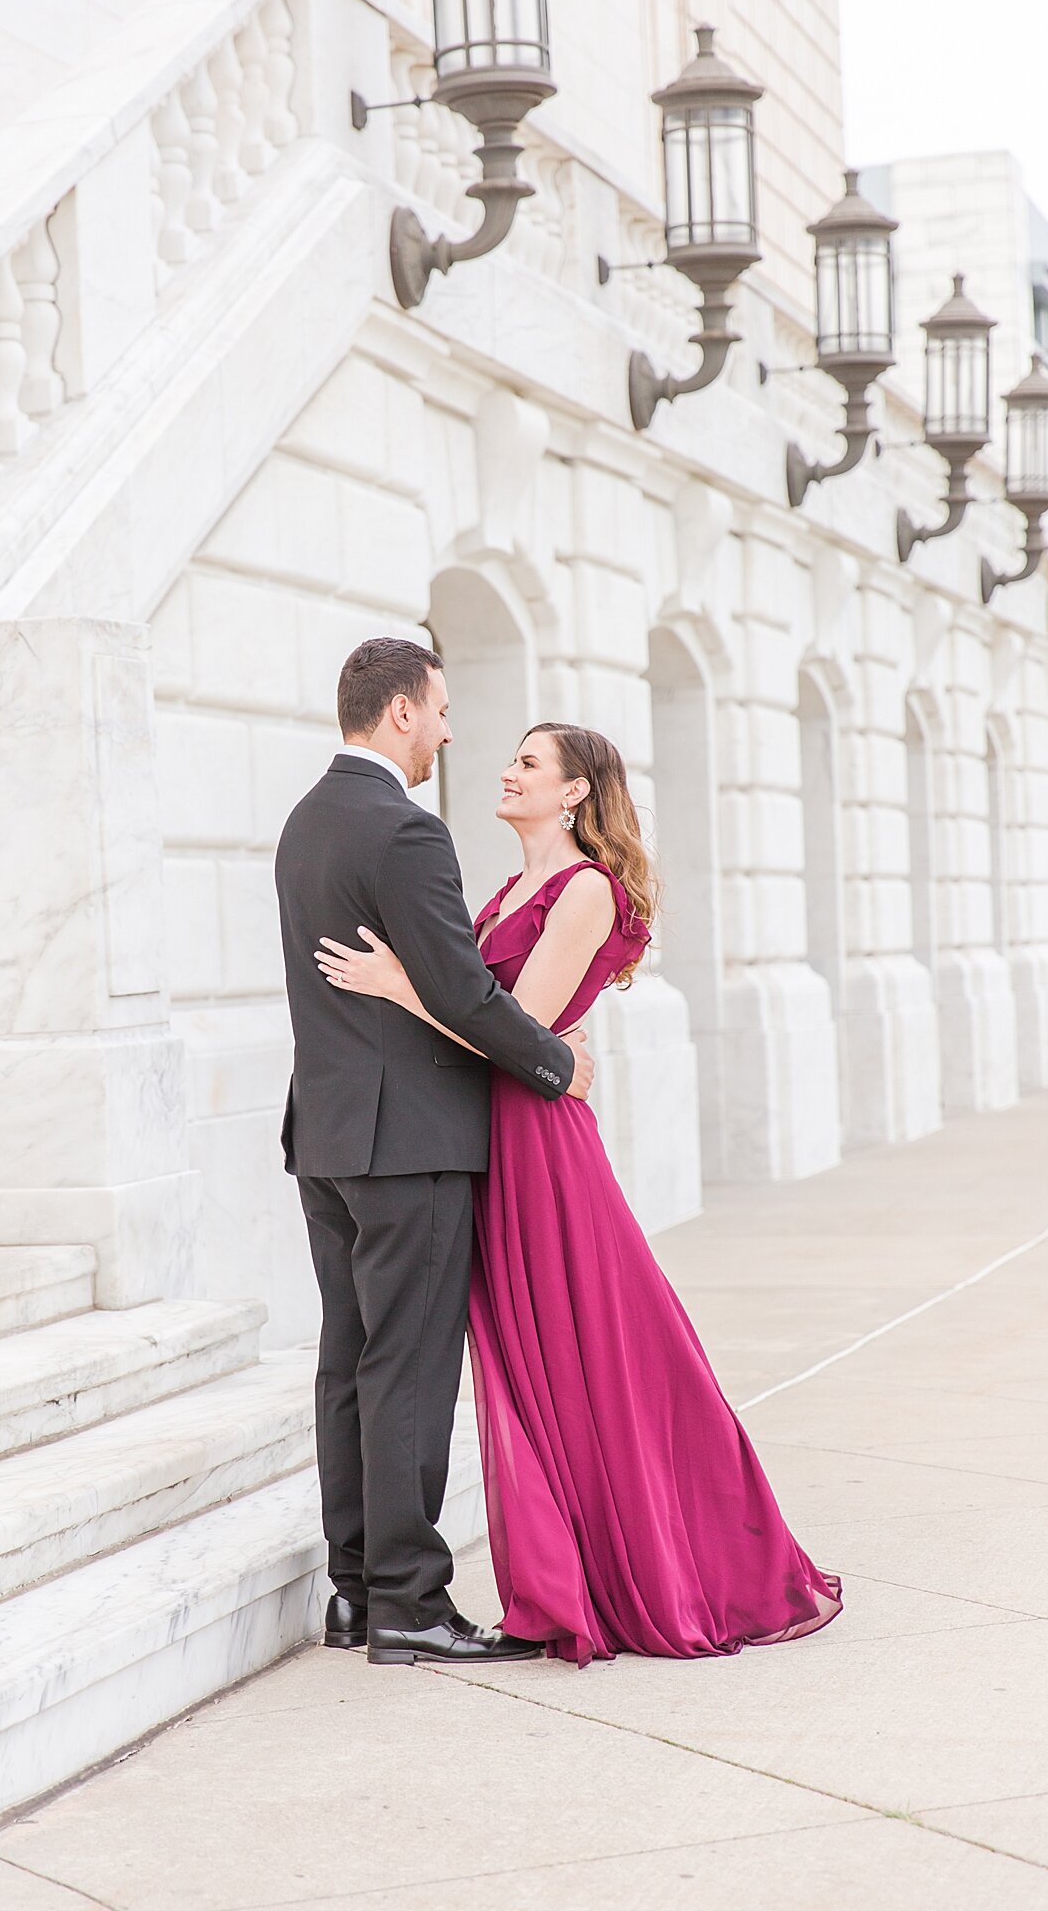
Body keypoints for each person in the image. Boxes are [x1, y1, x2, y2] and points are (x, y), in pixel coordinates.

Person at [315, 719, 843, 1665]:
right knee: (531, 1365)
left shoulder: (585, 890)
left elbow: (519, 1026)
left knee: (595, 1349)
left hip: (539, 1142)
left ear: (572, 792)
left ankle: (655, 1560)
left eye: (528, 764)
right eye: (509, 756)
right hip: (490, 1131)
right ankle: (566, 1566)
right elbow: (498, 1023)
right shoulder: (508, 889)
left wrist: (402, 987)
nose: (505, 771)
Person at [274, 640, 596, 1667]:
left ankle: (358, 1592)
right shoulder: (405, 832)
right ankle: (413, 1601)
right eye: (445, 709)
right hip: (407, 1140)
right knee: (407, 1369)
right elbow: (460, 992)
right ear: (402, 711)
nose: (454, 731)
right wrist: (556, 1065)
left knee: (350, 1364)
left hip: (327, 1135)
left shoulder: (305, 822)